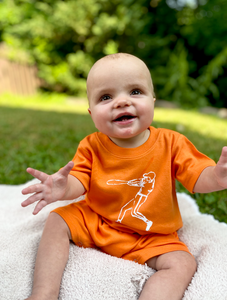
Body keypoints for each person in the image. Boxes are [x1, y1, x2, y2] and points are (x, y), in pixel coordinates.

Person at [21, 53, 227, 300]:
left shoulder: (172, 143)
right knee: (57, 220)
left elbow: (197, 176)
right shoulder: (92, 145)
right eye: (106, 97)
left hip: (151, 236)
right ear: (91, 113)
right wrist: (63, 190)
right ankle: (43, 294)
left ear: (153, 99)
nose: (121, 102)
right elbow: (80, 179)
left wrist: (217, 177)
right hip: (98, 221)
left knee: (182, 263)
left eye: (135, 92)